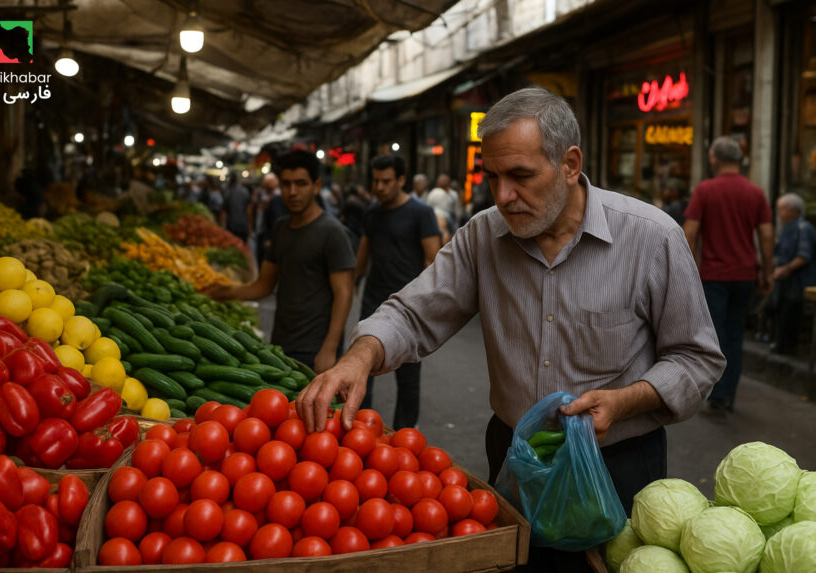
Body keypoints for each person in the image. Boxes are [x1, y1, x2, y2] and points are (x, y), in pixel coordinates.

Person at [297, 87, 724, 572]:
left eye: (520, 176)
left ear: (569, 164)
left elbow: (697, 358)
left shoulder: (652, 238)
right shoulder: (483, 236)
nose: (503, 196)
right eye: (492, 177)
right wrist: (359, 357)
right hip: (514, 460)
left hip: (615, 465)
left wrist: (625, 401)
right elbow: (413, 313)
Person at [204, 150, 355, 372]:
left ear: (316, 186)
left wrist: (329, 349)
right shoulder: (281, 228)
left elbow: (344, 293)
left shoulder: (332, 232)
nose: (292, 192)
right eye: (286, 184)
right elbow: (263, 286)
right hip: (281, 344)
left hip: (315, 348)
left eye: (301, 184)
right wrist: (224, 292)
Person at [682, 136, 774, 415]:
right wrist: (767, 271)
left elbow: (689, 233)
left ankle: (718, 393)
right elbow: (766, 234)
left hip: (713, 276)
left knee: (715, 336)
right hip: (745, 275)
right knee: (735, 335)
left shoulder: (705, 190)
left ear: (714, 158)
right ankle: (728, 393)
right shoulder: (755, 193)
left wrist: (688, 271)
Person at [356, 155, 441, 429]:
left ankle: (403, 437)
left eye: (386, 181)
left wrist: (427, 306)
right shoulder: (372, 212)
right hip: (372, 303)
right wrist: (352, 282)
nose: (379, 187)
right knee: (361, 370)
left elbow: (433, 261)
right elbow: (363, 254)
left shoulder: (421, 213)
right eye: (376, 181)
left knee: (408, 379)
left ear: (401, 180)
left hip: (408, 308)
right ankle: (358, 429)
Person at [769, 193, 816, 354]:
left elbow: (804, 256)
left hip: (797, 280)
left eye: (782, 209)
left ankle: (788, 346)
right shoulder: (787, 228)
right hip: (785, 280)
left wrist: (785, 269)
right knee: (780, 311)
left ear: (794, 210)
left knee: (790, 313)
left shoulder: (803, 228)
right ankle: (781, 344)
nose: (779, 213)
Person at [221, 173, 252, 242]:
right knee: (242, 245)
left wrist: (223, 225)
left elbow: (224, 211)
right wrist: (250, 227)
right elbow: (249, 211)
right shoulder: (245, 191)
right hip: (243, 225)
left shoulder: (228, 192)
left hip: (231, 225)